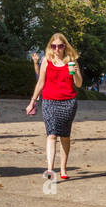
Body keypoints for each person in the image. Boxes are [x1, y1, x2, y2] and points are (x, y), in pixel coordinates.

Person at [25, 32, 82, 180]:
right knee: (51, 134)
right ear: (51, 46)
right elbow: (41, 82)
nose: (57, 49)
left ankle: (63, 168)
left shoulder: (72, 61)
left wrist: (75, 73)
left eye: (60, 46)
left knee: (64, 136)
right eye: (54, 46)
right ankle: (50, 169)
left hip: (68, 102)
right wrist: (33, 101)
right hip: (49, 101)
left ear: (65, 46)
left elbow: (79, 84)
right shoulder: (46, 60)